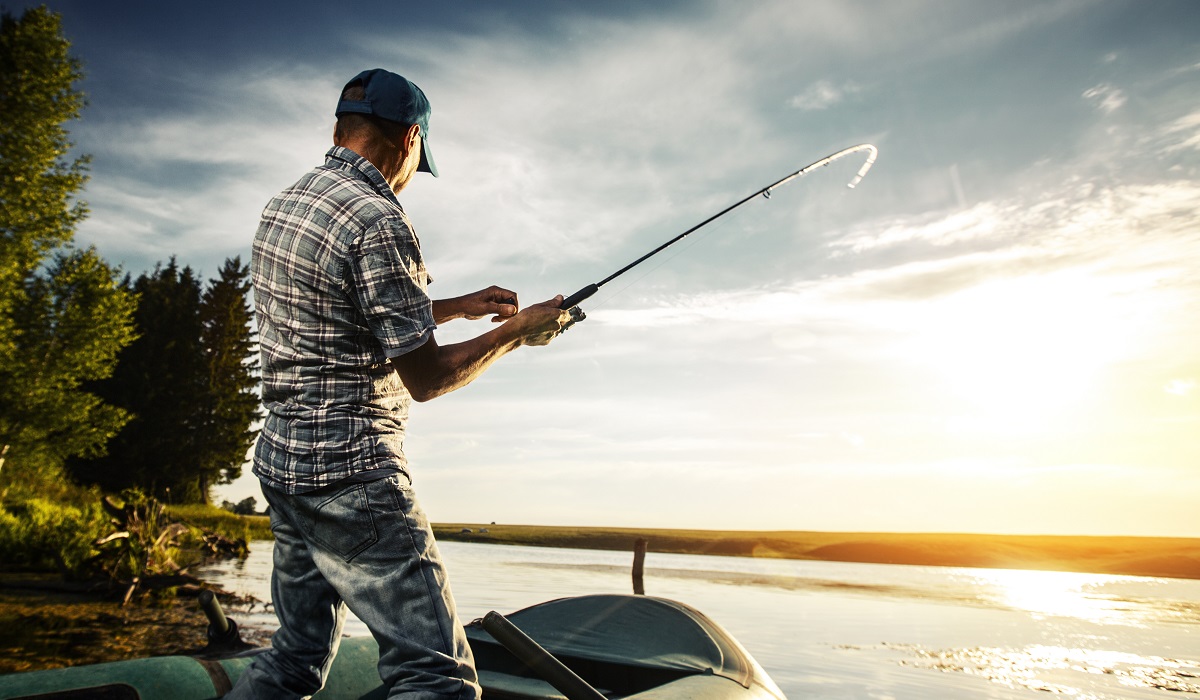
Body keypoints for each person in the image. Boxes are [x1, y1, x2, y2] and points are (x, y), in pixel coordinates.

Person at [227, 68, 574, 699]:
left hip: (282, 462)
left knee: (294, 658)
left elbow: (333, 311)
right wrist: (519, 330)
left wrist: (451, 306)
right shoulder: (381, 221)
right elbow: (428, 378)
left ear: (342, 125)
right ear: (410, 139)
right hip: (353, 474)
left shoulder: (286, 205)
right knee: (436, 676)